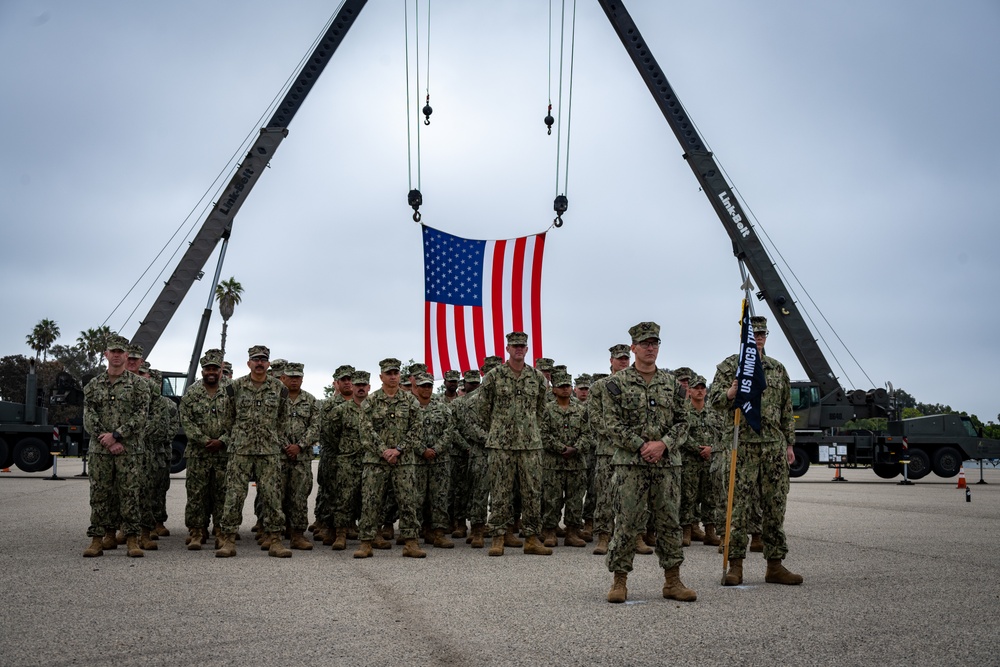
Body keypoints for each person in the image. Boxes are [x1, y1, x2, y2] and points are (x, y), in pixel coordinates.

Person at [603, 322, 694, 603]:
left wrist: (663, 444)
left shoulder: (671, 384)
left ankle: (672, 581)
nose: (650, 347)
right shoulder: (615, 384)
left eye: (654, 343)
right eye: (644, 343)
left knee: (668, 522)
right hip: (631, 464)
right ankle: (619, 581)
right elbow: (610, 423)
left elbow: (684, 421)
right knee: (628, 522)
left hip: (666, 465)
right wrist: (641, 445)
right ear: (633, 348)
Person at [709, 315, 803, 586]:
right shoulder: (730, 367)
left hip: (773, 446)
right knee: (738, 508)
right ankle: (735, 565)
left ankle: (775, 565)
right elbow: (715, 401)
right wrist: (730, 393)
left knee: (775, 507)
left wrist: (789, 443)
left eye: (762, 334)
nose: (758, 338)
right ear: (745, 335)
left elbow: (787, 409)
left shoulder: (776, 368)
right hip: (743, 445)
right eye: (754, 334)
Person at [215, 345, 292, 558]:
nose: (259, 363)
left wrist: (272, 438)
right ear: (249, 363)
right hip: (241, 450)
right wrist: (240, 436)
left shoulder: (279, 388)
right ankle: (228, 540)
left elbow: (283, 419)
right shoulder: (236, 387)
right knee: (234, 495)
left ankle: (275, 540)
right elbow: (226, 418)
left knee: (272, 496)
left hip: (268, 451)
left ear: (268, 364)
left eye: (263, 360)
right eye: (255, 359)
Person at [479, 332, 552, 556]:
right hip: (501, 444)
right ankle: (498, 537)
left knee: (532, 492)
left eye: (522, 346)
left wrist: (530, 429)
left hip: (530, 444)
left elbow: (541, 409)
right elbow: (483, 409)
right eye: (515, 346)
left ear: (527, 350)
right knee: (500, 491)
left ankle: (531, 538)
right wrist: (499, 429)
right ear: (507, 349)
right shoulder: (494, 376)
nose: (519, 349)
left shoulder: (537, 377)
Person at [81, 333, 151, 558]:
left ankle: (132, 539)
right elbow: (88, 416)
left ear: (127, 355)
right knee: (100, 494)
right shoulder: (93, 385)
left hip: (129, 450)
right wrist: (108, 439)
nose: (118, 356)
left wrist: (118, 435)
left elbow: (141, 416)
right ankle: (97, 540)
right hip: (101, 450)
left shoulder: (139, 385)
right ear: (106, 355)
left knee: (129, 493)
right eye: (114, 352)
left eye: (121, 352)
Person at [354, 358, 425, 559]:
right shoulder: (371, 401)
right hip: (376, 461)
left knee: (408, 501)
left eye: (396, 373)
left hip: (404, 461)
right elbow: (365, 430)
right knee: (370, 501)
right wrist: (384, 451)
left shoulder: (410, 400)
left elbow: (417, 428)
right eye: (389, 373)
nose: (393, 376)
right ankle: (366, 542)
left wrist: (399, 450)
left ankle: (411, 542)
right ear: (381, 377)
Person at [179, 349, 232, 550]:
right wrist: (203, 440)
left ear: (221, 370)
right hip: (198, 453)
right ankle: (196, 532)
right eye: (207, 368)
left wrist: (223, 440)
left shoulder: (231, 390)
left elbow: (239, 418)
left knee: (222, 494)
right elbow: (186, 419)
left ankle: (220, 531)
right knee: (196, 495)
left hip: (223, 453)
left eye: (215, 368)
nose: (211, 372)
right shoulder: (192, 392)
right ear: (202, 370)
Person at [586, 344, 632, 556]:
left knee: (632, 495)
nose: (623, 362)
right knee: (604, 494)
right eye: (619, 359)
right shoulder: (599, 386)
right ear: (611, 361)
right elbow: (594, 417)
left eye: (626, 358)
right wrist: (618, 434)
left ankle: (634, 537)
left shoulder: (636, 384)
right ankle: (604, 536)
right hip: (608, 449)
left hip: (632, 450)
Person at [321, 370, 374, 550]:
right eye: (356, 385)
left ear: (368, 387)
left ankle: (370, 534)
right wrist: (345, 450)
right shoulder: (341, 410)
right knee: (343, 498)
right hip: (347, 461)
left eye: (362, 385)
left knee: (370, 499)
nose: (359, 388)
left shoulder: (374, 409)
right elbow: (330, 434)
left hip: (370, 460)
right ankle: (340, 534)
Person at [541, 370, 591, 547]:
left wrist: (576, 448)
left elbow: (588, 434)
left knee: (575, 499)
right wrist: (562, 448)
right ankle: (550, 531)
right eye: (561, 386)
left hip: (576, 463)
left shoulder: (581, 409)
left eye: (567, 386)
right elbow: (543, 434)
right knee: (551, 499)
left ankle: (572, 532)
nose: (564, 389)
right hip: (553, 463)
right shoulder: (547, 409)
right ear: (554, 389)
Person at [412, 372, 462, 548]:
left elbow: (449, 432)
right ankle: (415, 533)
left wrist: (436, 450)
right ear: (416, 387)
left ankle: (439, 533)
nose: (426, 389)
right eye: (423, 386)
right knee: (417, 498)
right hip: (417, 460)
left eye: (429, 386)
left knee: (439, 497)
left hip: (439, 461)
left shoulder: (442, 408)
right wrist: (422, 450)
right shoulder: (409, 408)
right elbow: (406, 432)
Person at [279, 362, 319, 550]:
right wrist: (286, 446)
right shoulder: (276, 398)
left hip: (301, 458)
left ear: (302, 379)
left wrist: (299, 446)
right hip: (279, 456)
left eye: (298, 377)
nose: (294, 380)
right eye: (291, 376)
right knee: (276, 496)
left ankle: (297, 534)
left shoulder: (311, 401)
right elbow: (270, 424)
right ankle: (274, 534)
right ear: (283, 378)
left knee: (299, 497)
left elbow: (315, 427)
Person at [683, 375, 724, 546]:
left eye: (702, 388)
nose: (700, 391)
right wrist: (698, 449)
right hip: (689, 461)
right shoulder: (683, 412)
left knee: (710, 497)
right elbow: (681, 433)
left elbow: (722, 434)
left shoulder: (713, 412)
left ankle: (710, 531)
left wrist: (711, 449)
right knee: (687, 496)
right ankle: (686, 531)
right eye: (696, 388)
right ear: (690, 391)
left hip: (709, 462)